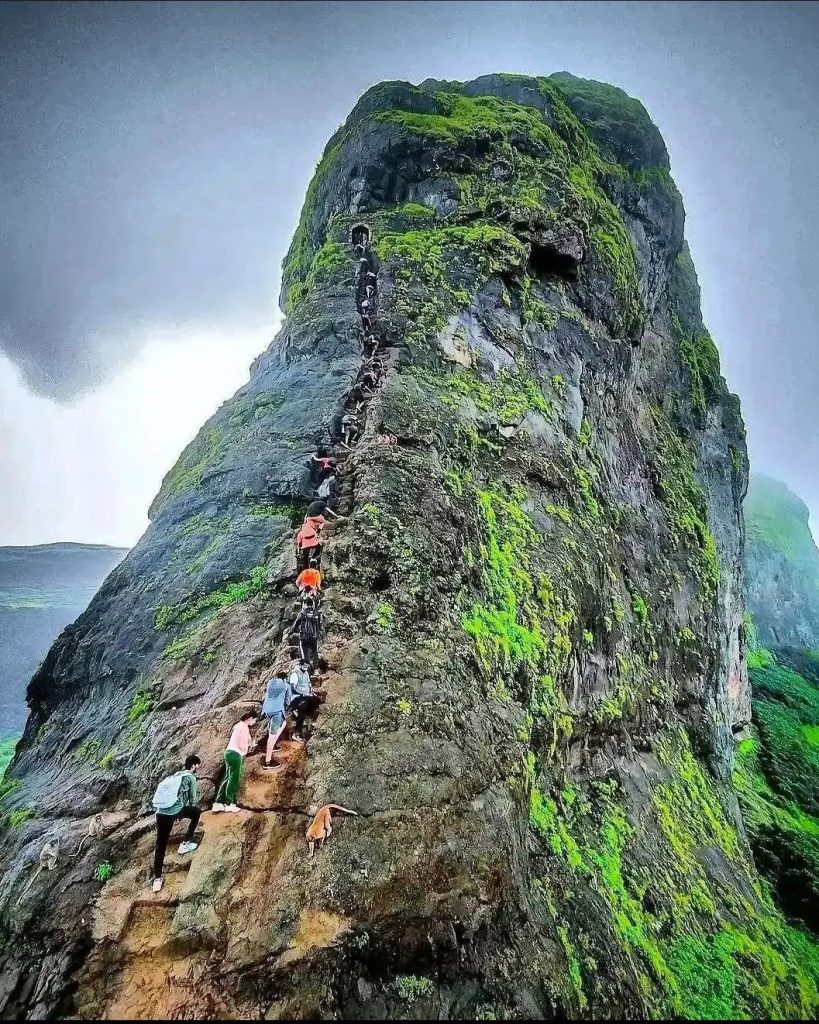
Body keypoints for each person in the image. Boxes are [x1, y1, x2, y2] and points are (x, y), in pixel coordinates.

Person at [151, 754, 202, 893]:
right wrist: (181, 812)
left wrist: (178, 814)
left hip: (160, 811)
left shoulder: (177, 775)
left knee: (161, 844)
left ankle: (157, 879)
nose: (198, 768)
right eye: (197, 765)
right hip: (174, 810)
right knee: (196, 812)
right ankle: (185, 843)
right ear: (194, 766)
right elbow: (192, 799)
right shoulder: (190, 777)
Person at [213, 712, 257, 813]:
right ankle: (229, 803)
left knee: (227, 778)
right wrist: (246, 749)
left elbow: (245, 739)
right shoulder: (244, 727)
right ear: (250, 718)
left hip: (228, 752)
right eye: (254, 720)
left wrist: (250, 742)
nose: (254, 722)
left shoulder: (238, 725)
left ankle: (218, 803)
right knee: (234, 779)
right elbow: (242, 744)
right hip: (236, 755)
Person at [261, 673, 292, 770]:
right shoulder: (286, 685)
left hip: (267, 710)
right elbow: (288, 700)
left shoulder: (270, 683)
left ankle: (271, 745)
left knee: (282, 723)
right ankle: (267, 762)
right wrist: (285, 707)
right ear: (285, 678)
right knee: (272, 736)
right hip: (277, 711)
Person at [289, 660, 320, 742]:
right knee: (302, 708)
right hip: (297, 697)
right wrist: (303, 694)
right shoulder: (295, 674)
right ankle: (297, 733)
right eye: (304, 666)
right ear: (300, 665)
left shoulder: (306, 673)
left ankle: (309, 720)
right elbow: (293, 688)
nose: (306, 668)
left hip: (306, 696)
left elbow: (308, 684)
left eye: (307, 666)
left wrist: (312, 692)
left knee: (316, 700)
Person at [291, 601, 321, 666]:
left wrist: (290, 633)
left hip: (304, 637)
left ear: (305, 604)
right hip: (314, 637)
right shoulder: (316, 613)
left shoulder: (302, 613)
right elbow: (318, 626)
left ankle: (306, 669)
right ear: (312, 604)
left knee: (303, 653)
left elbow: (295, 625)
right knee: (315, 652)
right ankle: (316, 668)